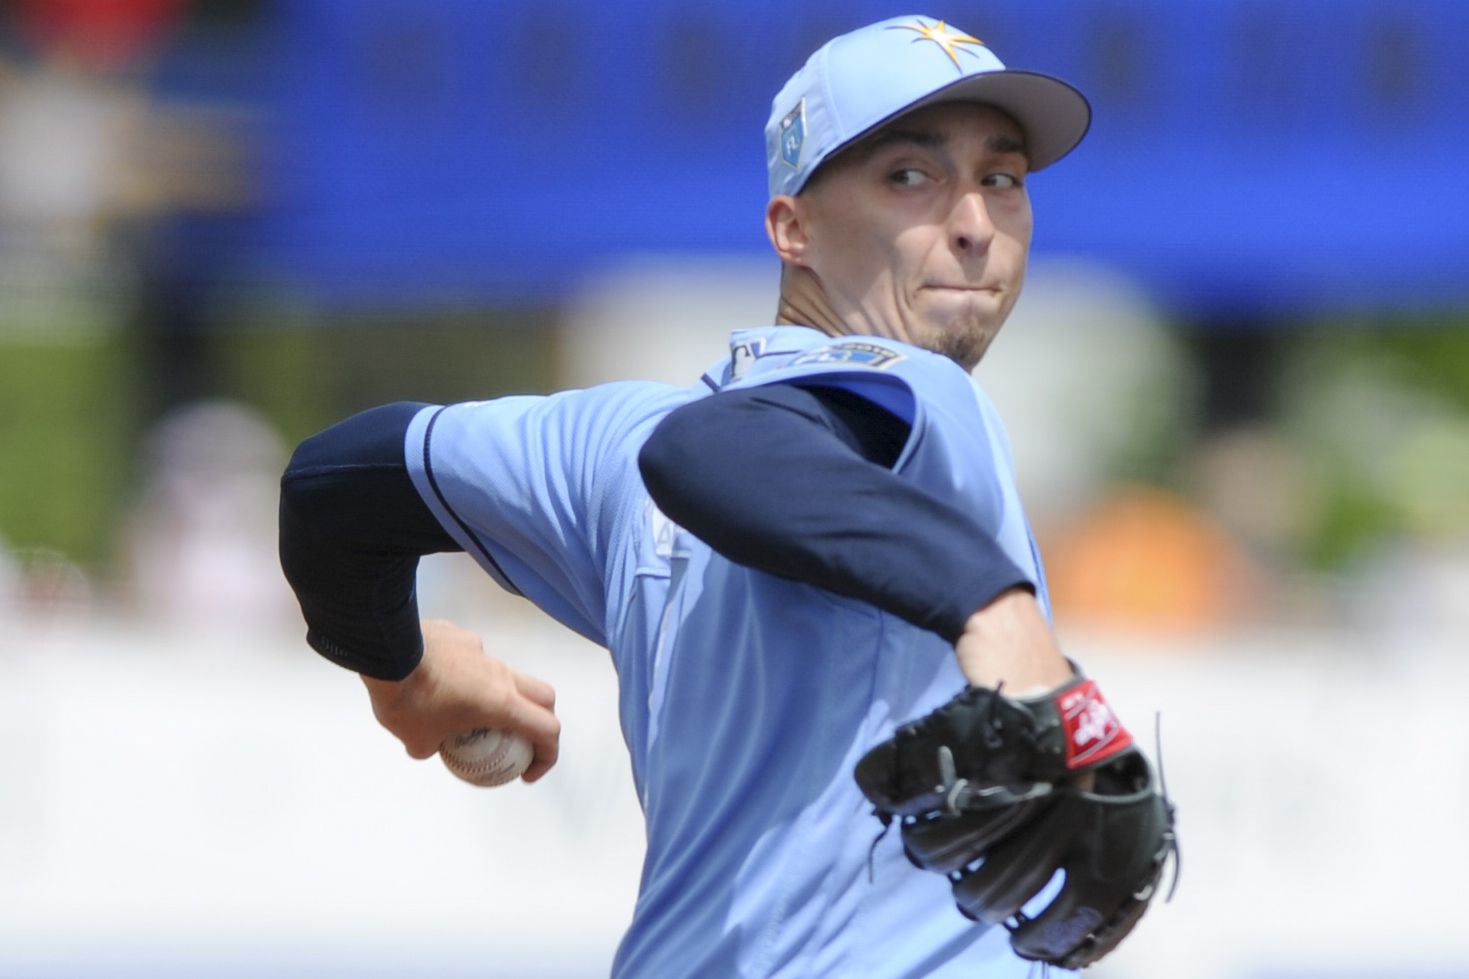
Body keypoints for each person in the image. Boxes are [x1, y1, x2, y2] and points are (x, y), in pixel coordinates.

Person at [280, 15, 1166, 977]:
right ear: (793, 227)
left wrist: (400, 673)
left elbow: (334, 485)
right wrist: (1001, 617)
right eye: (909, 177)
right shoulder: (921, 396)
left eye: (1001, 178)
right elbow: (718, 451)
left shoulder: (604, 444)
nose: (972, 221)